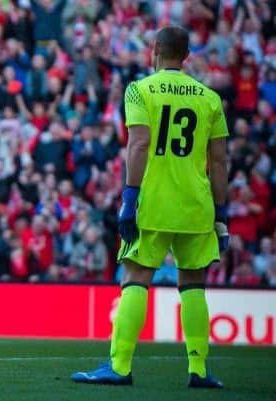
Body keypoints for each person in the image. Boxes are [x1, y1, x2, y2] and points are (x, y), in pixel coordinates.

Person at [70, 26, 229, 389]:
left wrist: (128, 200)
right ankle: (199, 370)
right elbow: (218, 163)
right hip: (196, 206)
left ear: (155, 48)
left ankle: (120, 365)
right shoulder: (209, 98)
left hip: (154, 203)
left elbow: (139, 144)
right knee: (193, 284)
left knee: (135, 279)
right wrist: (220, 216)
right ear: (187, 55)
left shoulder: (139, 90)